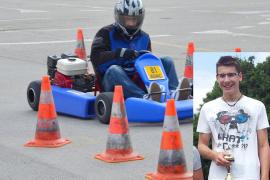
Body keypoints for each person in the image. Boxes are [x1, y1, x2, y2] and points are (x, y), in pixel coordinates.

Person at [90, 0, 189, 101]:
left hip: (138, 77)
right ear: (119, 17)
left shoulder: (144, 37)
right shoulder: (105, 33)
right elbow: (96, 59)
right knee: (114, 70)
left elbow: (147, 61)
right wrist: (120, 54)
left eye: (134, 20)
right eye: (127, 19)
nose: (131, 24)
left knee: (167, 61)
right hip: (113, 80)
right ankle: (143, 98)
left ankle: (172, 93)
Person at [197, 56, 270, 180]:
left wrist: (265, 177)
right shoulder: (207, 108)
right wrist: (214, 155)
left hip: (250, 175)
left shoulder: (257, 106)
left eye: (231, 75)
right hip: (218, 176)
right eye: (222, 75)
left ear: (240, 76)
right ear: (217, 78)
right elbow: (201, 145)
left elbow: (263, 145)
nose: (226, 80)